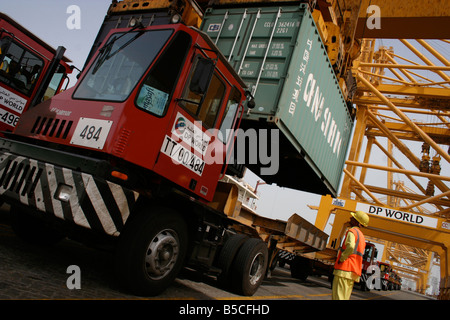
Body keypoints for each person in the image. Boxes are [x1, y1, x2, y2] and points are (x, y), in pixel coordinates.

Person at [332, 210, 369, 300]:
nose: (350, 218)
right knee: (344, 297)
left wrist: (342, 258)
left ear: (356, 222)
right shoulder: (362, 237)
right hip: (352, 272)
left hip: (344, 270)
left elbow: (351, 247)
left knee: (338, 297)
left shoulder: (352, 232)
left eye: (353, 218)